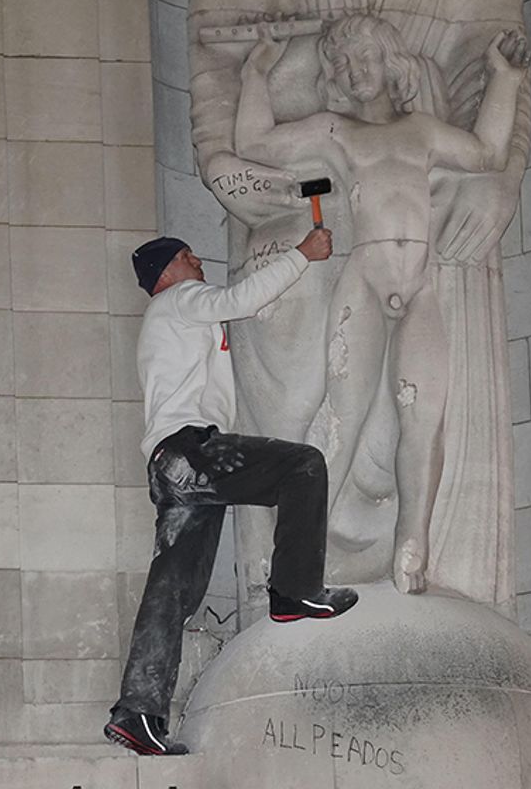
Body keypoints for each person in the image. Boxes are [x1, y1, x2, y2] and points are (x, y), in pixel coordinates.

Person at [235, 18, 530, 594]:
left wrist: (504, 79)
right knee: (342, 420)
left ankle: (412, 546)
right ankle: (298, 553)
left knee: (423, 418)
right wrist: (255, 72)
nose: (354, 72)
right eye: (342, 64)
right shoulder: (336, 130)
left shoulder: (422, 130)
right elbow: (253, 144)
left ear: (389, 59)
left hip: (420, 285)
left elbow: (489, 152)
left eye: (363, 57)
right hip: (365, 282)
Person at [103, 228, 359, 756]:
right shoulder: (182, 298)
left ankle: (138, 714)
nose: (198, 261)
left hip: (170, 466)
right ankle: (294, 591)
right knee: (303, 466)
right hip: (192, 450)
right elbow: (240, 300)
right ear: (166, 274)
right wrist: (302, 255)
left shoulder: (167, 317)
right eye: (186, 256)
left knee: (173, 592)